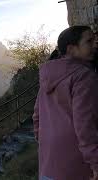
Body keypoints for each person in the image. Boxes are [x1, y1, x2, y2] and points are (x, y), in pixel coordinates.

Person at [33, 25, 98, 180]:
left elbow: (36, 117)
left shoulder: (49, 76)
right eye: (89, 41)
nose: (95, 44)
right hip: (76, 165)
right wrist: (95, 162)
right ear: (71, 49)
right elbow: (85, 125)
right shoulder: (84, 77)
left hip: (49, 165)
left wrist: (45, 141)